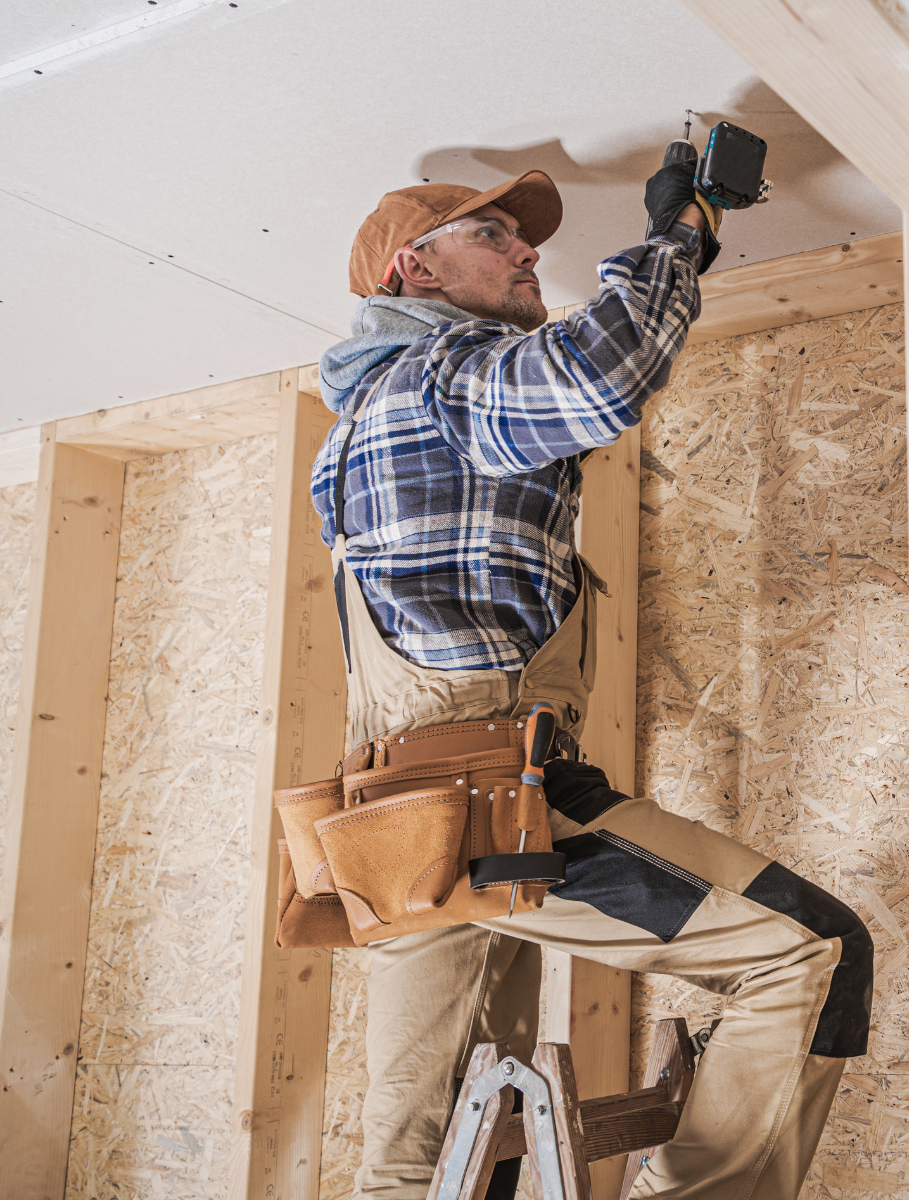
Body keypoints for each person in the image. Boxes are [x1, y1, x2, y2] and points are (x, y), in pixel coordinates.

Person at [312, 164, 871, 1199]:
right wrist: (681, 236)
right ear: (412, 271)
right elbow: (595, 380)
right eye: (493, 236)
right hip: (490, 802)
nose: (529, 251)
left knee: (421, 1162)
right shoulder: (438, 377)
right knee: (807, 953)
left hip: (398, 836)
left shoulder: (356, 425)